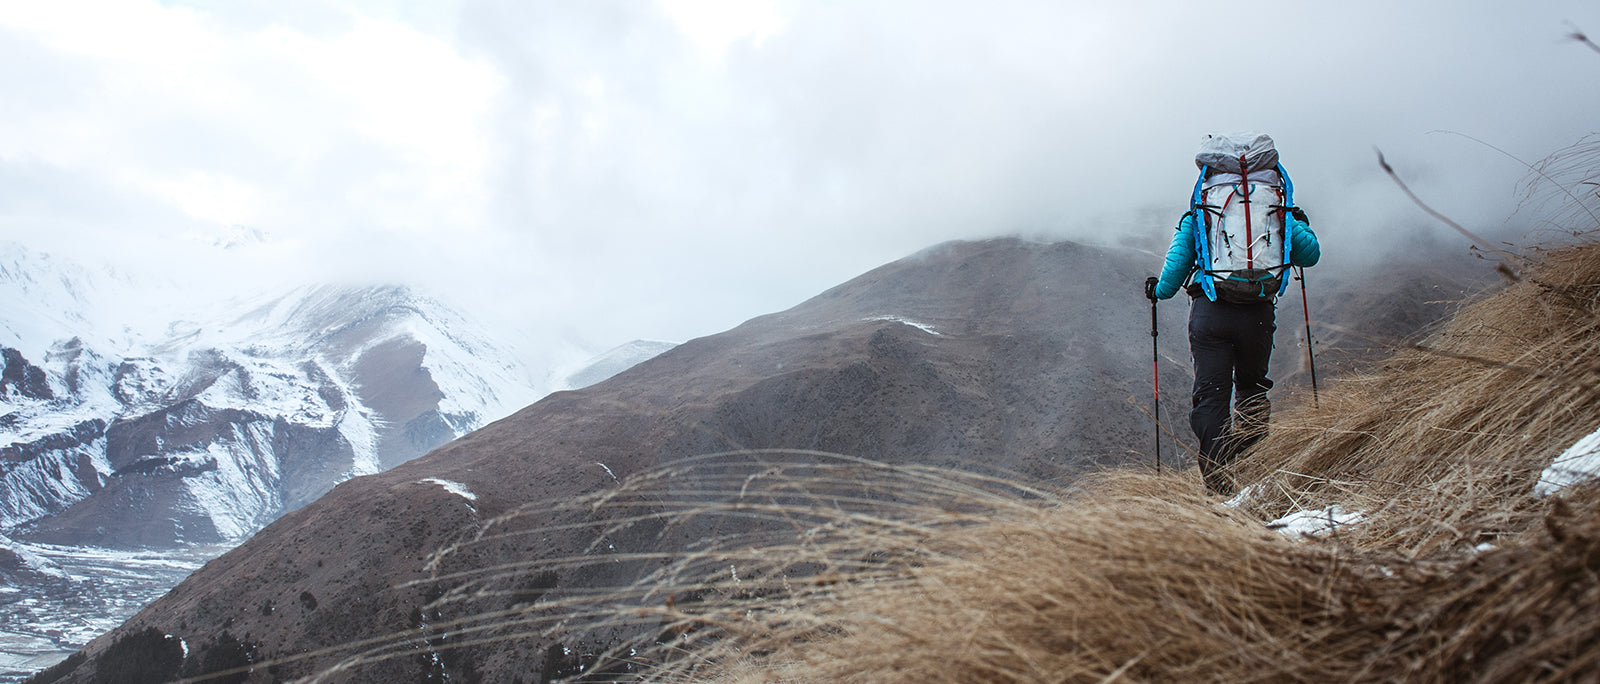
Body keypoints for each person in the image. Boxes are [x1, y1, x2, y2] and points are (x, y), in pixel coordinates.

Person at [1146, 133, 1320, 496]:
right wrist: (1297, 221)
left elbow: (1174, 271)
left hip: (1211, 315)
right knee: (1252, 388)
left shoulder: (1202, 211)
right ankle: (1250, 465)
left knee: (1211, 397)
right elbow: (1310, 254)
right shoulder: (1276, 208)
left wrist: (1157, 291)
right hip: (1256, 315)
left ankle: (1219, 484)